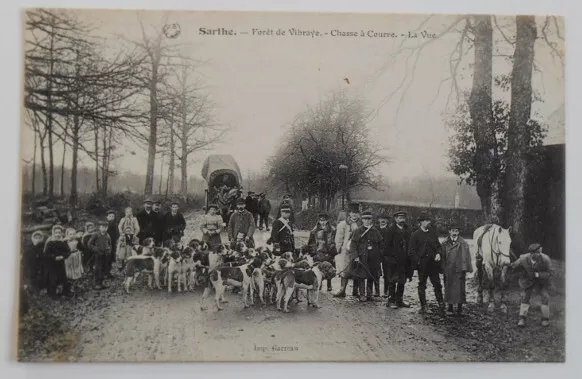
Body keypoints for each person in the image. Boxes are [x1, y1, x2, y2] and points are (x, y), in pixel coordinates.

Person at [408, 212, 445, 314]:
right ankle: (424, 305)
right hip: (422, 265)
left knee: (437, 284)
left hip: (433, 264)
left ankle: (441, 303)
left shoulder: (433, 233)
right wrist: (418, 261)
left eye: (429, 220)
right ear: (421, 222)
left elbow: (438, 246)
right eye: (426, 220)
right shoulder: (415, 235)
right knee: (422, 284)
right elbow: (411, 251)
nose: (429, 222)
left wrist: (438, 253)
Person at [509, 243, 553, 327]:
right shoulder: (523, 258)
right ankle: (522, 318)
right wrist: (509, 266)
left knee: (545, 296)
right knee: (525, 297)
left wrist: (538, 274)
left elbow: (550, 273)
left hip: (541, 281)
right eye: (537, 252)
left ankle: (545, 319)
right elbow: (513, 266)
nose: (539, 254)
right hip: (528, 280)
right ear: (531, 253)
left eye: (540, 252)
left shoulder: (545, 259)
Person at [348, 211, 383, 301]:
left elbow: (380, 245)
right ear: (362, 220)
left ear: (371, 220)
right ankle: (362, 294)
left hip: (373, 258)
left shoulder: (376, 232)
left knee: (372, 275)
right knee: (361, 276)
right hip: (362, 257)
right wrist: (355, 256)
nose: (367, 221)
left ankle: (369, 294)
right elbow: (353, 245)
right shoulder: (357, 231)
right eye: (365, 219)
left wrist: (379, 257)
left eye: (369, 219)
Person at [441, 223, 473, 316]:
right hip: (449, 268)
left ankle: (459, 308)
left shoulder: (463, 243)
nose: (454, 232)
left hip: (459, 268)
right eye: (453, 230)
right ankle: (450, 307)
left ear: (459, 232)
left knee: (460, 288)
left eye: (456, 231)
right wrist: (442, 267)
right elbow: (442, 256)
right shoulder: (444, 243)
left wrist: (467, 267)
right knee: (449, 286)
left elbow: (467, 256)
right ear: (449, 231)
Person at [382, 211, 412, 309]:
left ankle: (399, 300)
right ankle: (390, 301)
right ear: (395, 219)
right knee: (392, 280)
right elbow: (386, 246)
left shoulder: (407, 230)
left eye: (403, 218)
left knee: (402, 280)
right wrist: (392, 257)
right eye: (399, 218)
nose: (401, 220)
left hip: (404, 260)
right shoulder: (390, 230)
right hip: (393, 260)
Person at [333, 202, 363, 298]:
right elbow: (339, 238)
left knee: (357, 269)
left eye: (356, 213)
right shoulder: (343, 224)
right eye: (352, 212)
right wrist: (338, 249)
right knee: (344, 270)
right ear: (349, 213)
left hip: (358, 250)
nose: (354, 215)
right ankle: (342, 290)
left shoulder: (361, 225)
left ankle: (355, 291)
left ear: (359, 214)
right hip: (345, 251)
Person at [307, 212, 337, 291]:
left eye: (324, 220)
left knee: (329, 269)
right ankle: (319, 284)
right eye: (321, 220)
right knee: (318, 269)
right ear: (318, 221)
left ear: (327, 221)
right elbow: (311, 243)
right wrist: (313, 253)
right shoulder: (314, 231)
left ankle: (329, 284)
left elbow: (334, 241)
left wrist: (333, 252)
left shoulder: (332, 230)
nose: (322, 222)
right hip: (318, 252)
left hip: (329, 252)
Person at [43, 225, 72, 298]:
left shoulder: (63, 242)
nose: (58, 234)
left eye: (59, 233)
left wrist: (62, 256)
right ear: (53, 233)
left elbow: (68, 251)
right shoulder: (50, 242)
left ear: (61, 233)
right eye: (56, 233)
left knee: (63, 277)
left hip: (61, 263)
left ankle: (65, 292)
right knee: (53, 278)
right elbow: (46, 253)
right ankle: (53, 294)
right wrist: (54, 257)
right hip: (52, 263)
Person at [87, 220, 112, 290]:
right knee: (98, 268)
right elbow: (89, 244)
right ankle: (96, 283)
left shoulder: (107, 235)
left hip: (106, 254)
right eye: (103, 227)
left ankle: (102, 282)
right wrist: (96, 249)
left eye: (106, 227)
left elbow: (110, 244)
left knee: (105, 268)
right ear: (99, 227)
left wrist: (109, 250)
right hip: (98, 254)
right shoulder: (96, 235)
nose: (104, 229)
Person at [64, 228, 84, 293]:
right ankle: (70, 285)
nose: (72, 235)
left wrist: (80, 251)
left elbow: (82, 247)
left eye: (73, 234)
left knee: (76, 268)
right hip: (69, 257)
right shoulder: (65, 241)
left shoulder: (77, 240)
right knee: (70, 269)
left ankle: (76, 284)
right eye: (70, 234)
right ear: (67, 235)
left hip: (76, 255)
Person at [105, 210, 119, 279]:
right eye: (110, 216)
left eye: (113, 216)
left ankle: (108, 272)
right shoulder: (105, 225)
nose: (111, 217)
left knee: (111, 257)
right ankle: (105, 272)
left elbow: (117, 234)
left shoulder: (116, 224)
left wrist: (117, 240)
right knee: (106, 258)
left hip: (113, 243)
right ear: (107, 217)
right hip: (106, 243)